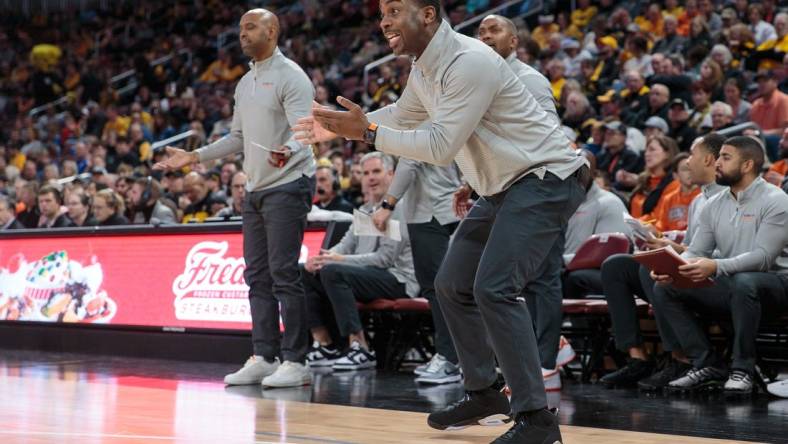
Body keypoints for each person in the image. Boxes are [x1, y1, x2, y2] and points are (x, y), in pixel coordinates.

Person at [294, 1, 589, 441]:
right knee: (452, 285)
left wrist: (367, 133)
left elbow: (439, 146)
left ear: (428, 15)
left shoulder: (468, 60)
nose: (384, 21)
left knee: (495, 287)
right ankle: (485, 392)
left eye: (394, 9)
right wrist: (342, 128)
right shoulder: (424, 68)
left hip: (546, 178)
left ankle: (538, 420)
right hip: (502, 186)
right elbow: (403, 114)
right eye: (381, 13)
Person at [154, 8, 316, 389]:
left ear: (272, 30)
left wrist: (287, 150)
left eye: (250, 27)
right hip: (256, 189)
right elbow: (237, 138)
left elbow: (306, 130)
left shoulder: (291, 76)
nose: (241, 34)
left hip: (289, 183)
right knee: (256, 275)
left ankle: (296, 360)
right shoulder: (244, 82)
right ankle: (264, 356)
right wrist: (193, 157)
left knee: (283, 274)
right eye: (240, 28)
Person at [650, 136, 788, 394]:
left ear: (747, 165)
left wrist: (715, 266)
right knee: (666, 288)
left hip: (776, 284)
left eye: (726, 158)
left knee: (744, 280)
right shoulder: (713, 204)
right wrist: (672, 268)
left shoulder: (775, 199)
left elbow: (763, 258)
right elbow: (697, 250)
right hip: (733, 284)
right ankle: (706, 362)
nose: (717, 163)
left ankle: (743, 369)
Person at [598, 133, 726, 390]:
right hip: (693, 264)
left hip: (713, 273)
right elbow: (692, 246)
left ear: (710, 160)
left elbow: (722, 252)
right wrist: (668, 245)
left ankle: (680, 358)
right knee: (615, 266)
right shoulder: (700, 199)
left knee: (653, 270)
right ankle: (637, 357)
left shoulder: (725, 197)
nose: (687, 163)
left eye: (692, 155)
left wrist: (673, 250)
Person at [303, 153, 418, 371]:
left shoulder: (401, 208)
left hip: (398, 279)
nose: (370, 178)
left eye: (376, 172)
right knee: (306, 272)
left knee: (334, 272)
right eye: (366, 173)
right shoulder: (365, 211)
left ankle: (360, 347)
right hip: (368, 276)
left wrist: (338, 260)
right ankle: (325, 344)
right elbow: (345, 245)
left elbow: (385, 259)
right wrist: (321, 258)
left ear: (392, 175)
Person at [561, 151, 630, 299]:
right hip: (565, 268)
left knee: (566, 278)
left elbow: (608, 253)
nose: (575, 174)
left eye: (582, 169)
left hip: (601, 273)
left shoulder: (609, 203)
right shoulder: (561, 204)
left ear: (593, 173)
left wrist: (561, 261)